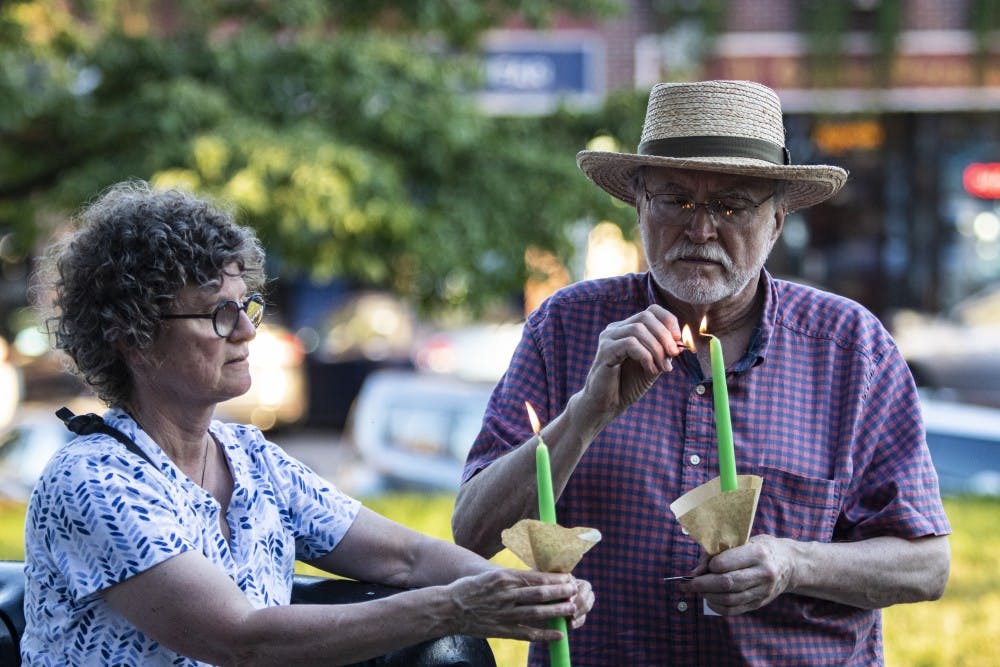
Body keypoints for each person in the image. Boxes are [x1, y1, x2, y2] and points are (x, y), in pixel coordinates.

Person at [452, 80, 951, 666]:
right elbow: (473, 534)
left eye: (732, 206)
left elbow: (925, 565)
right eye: (675, 200)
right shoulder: (567, 326)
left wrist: (792, 563)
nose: (701, 230)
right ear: (638, 204)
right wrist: (585, 413)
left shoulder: (848, 348)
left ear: (777, 221)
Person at [22, 180, 593, 667]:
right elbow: (239, 639)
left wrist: (531, 592)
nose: (247, 332)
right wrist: (459, 607)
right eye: (218, 314)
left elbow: (406, 557)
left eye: (246, 307)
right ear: (133, 339)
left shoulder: (248, 457)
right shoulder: (94, 480)